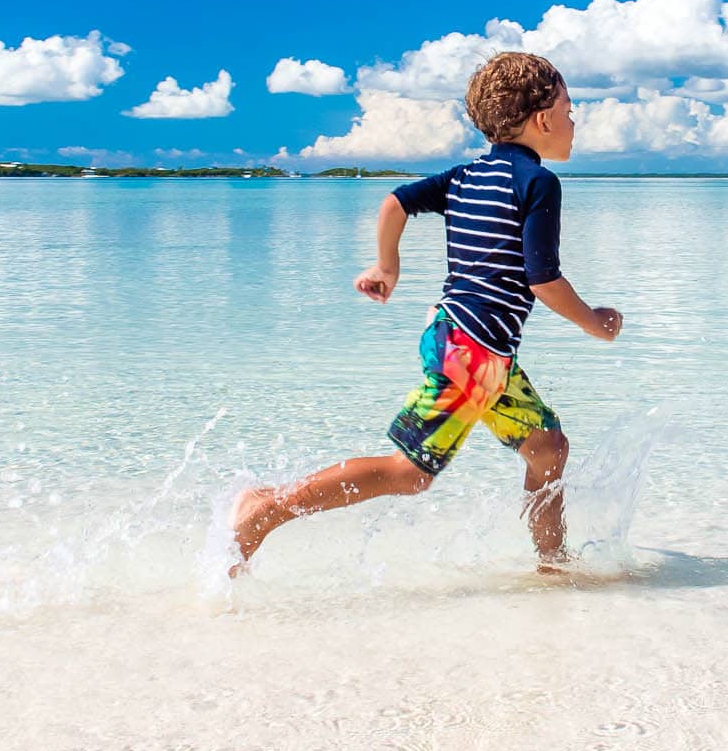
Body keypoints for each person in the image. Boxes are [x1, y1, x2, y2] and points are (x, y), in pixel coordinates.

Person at [226, 52, 623, 572]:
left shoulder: (465, 176)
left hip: (473, 346)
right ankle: (267, 508)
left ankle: (554, 566)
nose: (574, 121)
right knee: (408, 473)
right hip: (471, 352)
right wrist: (596, 322)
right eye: (570, 110)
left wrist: (387, 266)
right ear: (543, 118)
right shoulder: (538, 182)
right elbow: (542, 280)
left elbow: (395, 202)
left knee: (548, 447)